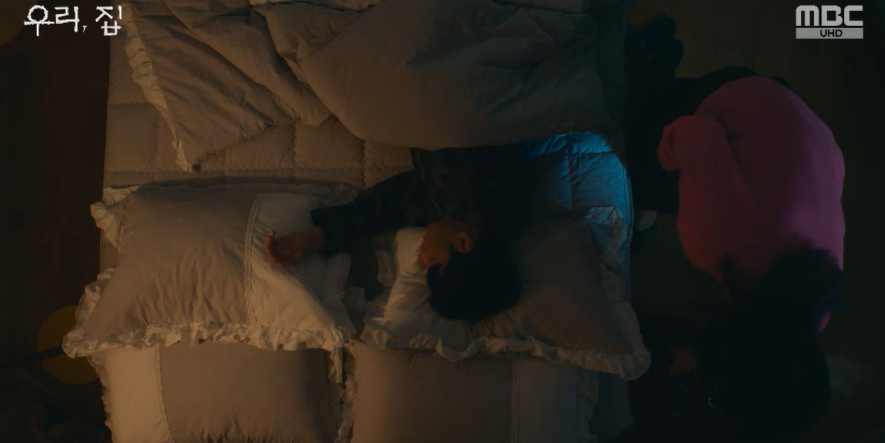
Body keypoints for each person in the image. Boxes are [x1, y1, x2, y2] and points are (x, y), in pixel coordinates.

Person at [620, 17, 845, 443]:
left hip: (807, 135)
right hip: (748, 100)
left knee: (686, 183)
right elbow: (697, 134)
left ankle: (659, 64)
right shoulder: (719, 244)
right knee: (632, 158)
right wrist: (665, 155)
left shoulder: (812, 313)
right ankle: (643, 56)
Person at [265, 147, 535, 324]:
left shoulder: (461, 217)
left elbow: (384, 208)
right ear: (462, 242)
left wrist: (313, 239)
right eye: (432, 261)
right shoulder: (468, 179)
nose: (422, 257)